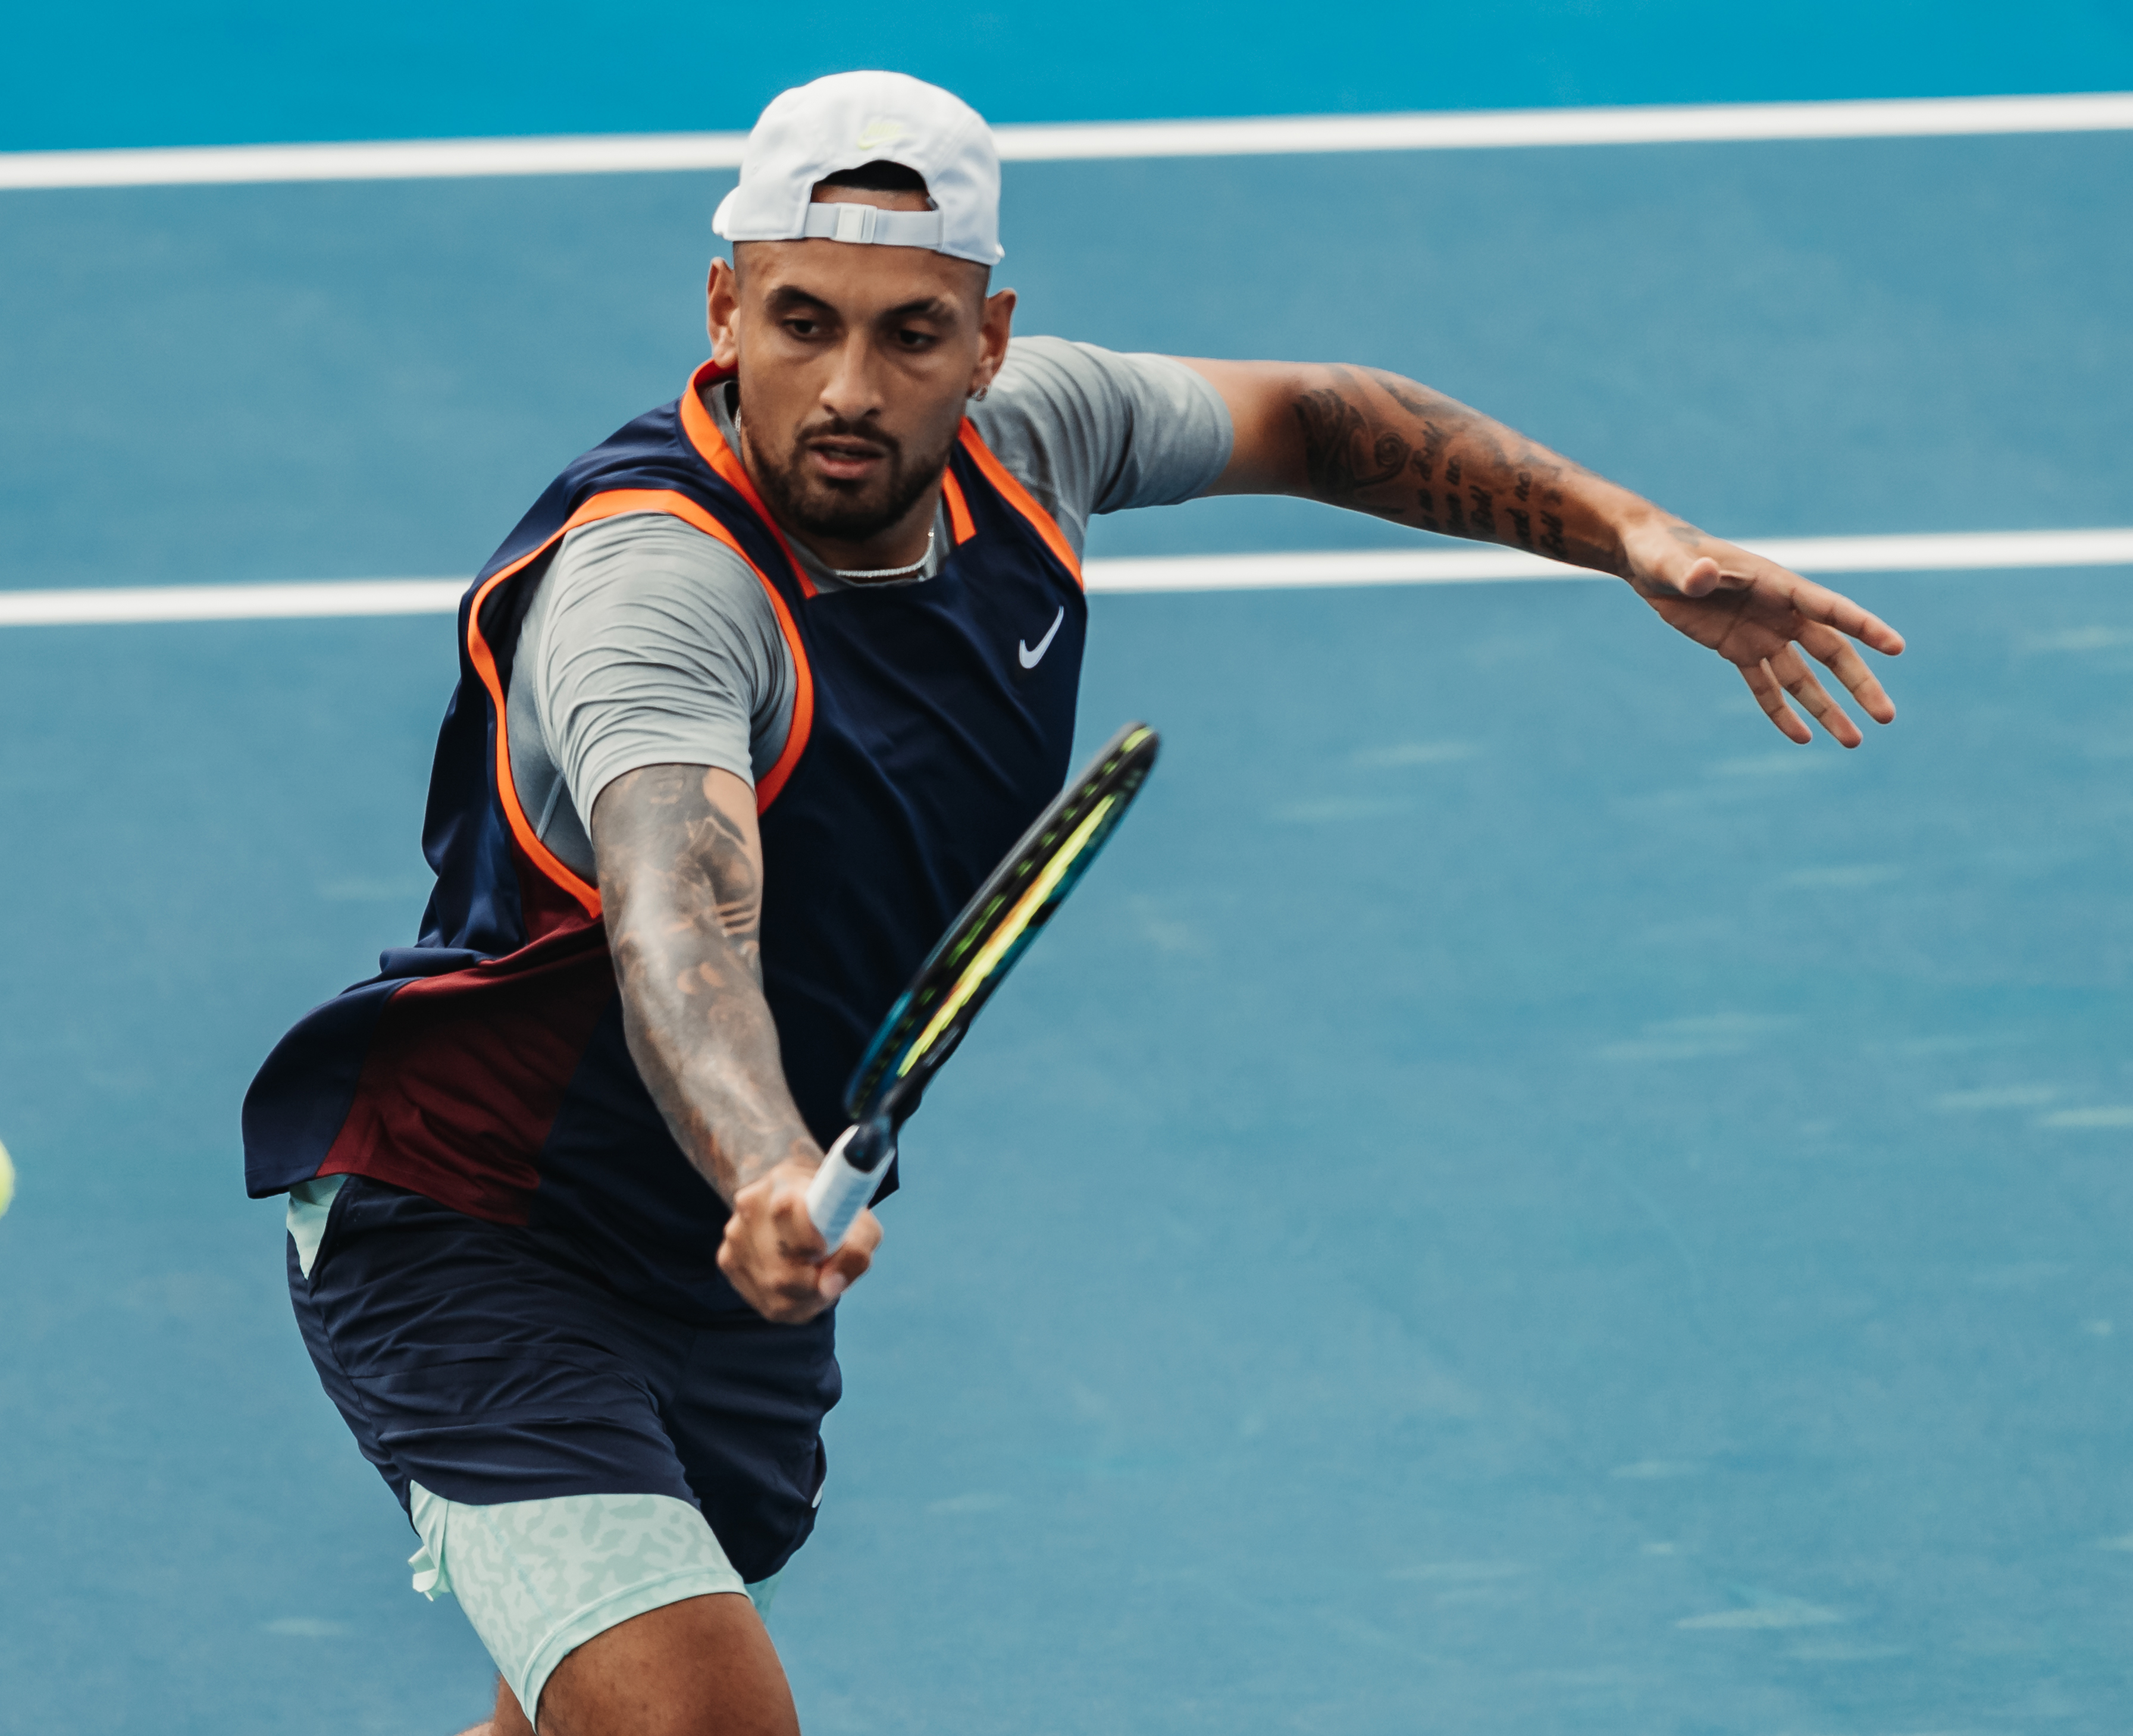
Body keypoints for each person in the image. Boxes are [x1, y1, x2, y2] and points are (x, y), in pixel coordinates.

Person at [242, 70, 1902, 1736]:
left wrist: (1635, 537)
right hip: (476, 1231)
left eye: (910, 335)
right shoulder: (658, 593)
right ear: (724, 309)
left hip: (717, 1263)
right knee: (700, 1723)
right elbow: (680, 919)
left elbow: (1316, 415)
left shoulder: (1036, 444)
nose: (846, 385)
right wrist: (762, 1165)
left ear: (989, 340)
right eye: (801, 321)